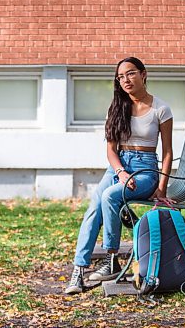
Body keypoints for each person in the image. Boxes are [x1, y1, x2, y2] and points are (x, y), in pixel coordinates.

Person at [65, 56, 173, 294]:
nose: (126, 80)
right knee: (94, 208)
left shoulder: (161, 109)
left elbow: (167, 152)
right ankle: (78, 271)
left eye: (131, 73)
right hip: (118, 166)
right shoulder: (116, 107)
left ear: (143, 74)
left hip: (145, 169)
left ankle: (111, 257)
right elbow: (111, 151)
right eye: (121, 76)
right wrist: (121, 171)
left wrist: (161, 187)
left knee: (111, 197)